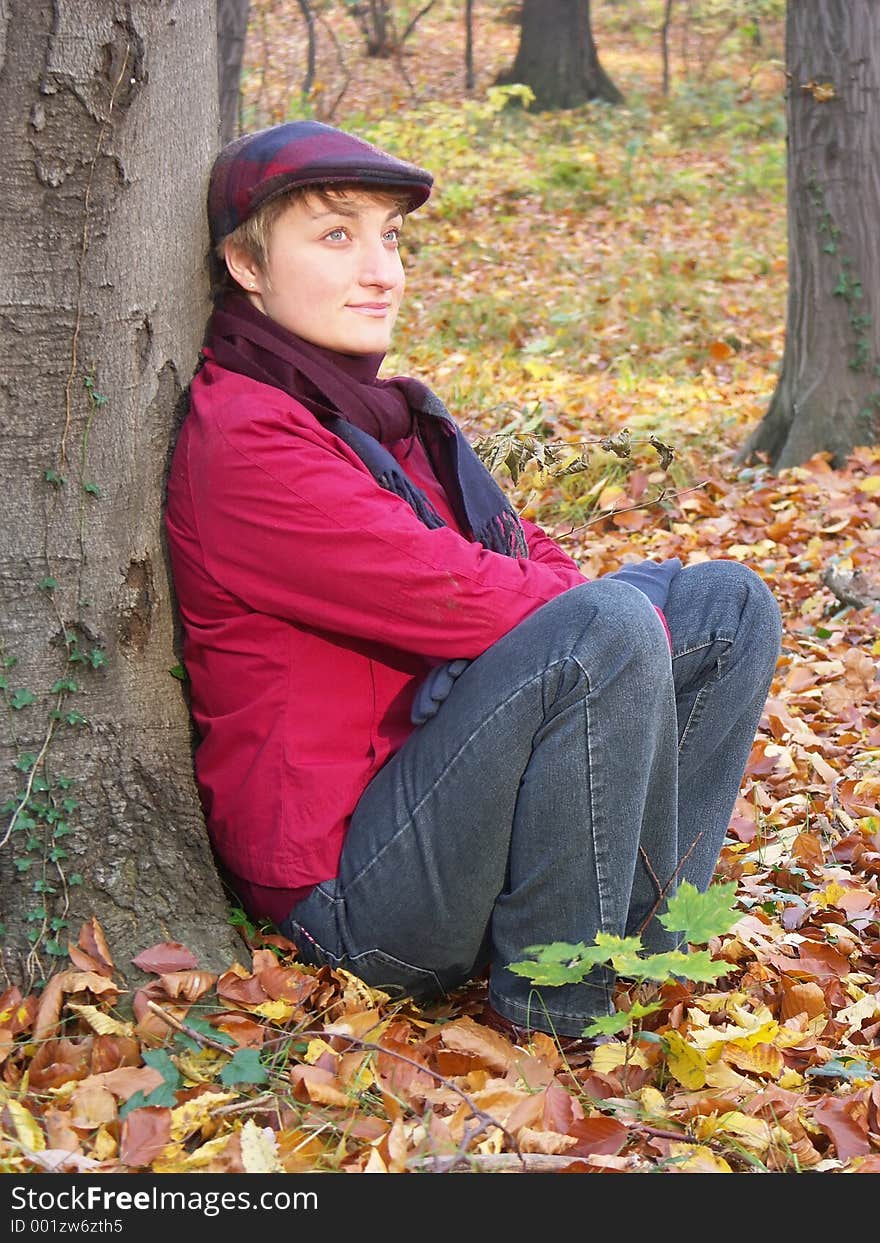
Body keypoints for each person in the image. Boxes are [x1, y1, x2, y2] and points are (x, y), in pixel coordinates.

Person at [164, 119, 783, 1050]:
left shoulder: (378, 416)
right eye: (337, 235)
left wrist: (602, 605)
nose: (383, 271)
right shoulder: (250, 441)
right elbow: (467, 594)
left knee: (730, 607)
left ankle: (640, 946)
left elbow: (529, 557)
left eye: (391, 237)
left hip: (441, 807)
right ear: (246, 266)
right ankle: (556, 1018)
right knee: (604, 624)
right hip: (353, 891)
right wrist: (602, 610)